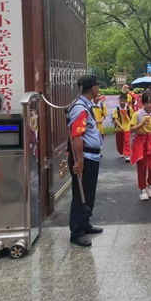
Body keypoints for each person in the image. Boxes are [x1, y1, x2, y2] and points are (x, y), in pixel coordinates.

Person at [67, 75, 104, 247]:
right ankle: (77, 232)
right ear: (94, 88)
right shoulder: (80, 108)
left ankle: (85, 224)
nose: (98, 89)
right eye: (97, 86)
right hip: (85, 159)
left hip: (92, 157)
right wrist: (80, 161)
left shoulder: (85, 106)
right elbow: (76, 136)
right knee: (81, 194)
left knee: (89, 193)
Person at [130, 92, 151, 201]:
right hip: (140, 141)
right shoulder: (137, 114)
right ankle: (143, 189)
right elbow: (131, 129)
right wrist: (142, 124)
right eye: (147, 103)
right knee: (142, 167)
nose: (149, 105)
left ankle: (150, 184)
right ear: (143, 103)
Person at [113, 95, 133, 162]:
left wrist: (132, 126)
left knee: (127, 141)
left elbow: (132, 117)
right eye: (120, 101)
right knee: (119, 141)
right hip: (119, 128)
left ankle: (127, 155)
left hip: (127, 127)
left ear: (126, 101)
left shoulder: (129, 109)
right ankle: (121, 152)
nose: (121, 102)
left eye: (123, 101)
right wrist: (120, 126)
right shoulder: (117, 109)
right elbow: (115, 118)